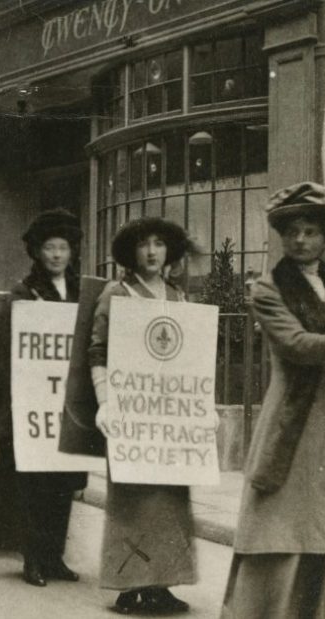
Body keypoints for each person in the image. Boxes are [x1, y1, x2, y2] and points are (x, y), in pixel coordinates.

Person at [221, 182, 325, 618]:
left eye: (310, 231)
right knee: (283, 527)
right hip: (294, 425)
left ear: (324, 238)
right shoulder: (268, 288)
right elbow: (297, 344)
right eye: (292, 232)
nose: (300, 240)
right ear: (282, 237)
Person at [90, 217, 197, 614]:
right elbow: (97, 350)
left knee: (169, 499)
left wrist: (200, 407)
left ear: (169, 251)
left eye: (159, 244)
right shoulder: (117, 293)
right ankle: (127, 585)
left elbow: (189, 355)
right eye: (143, 245)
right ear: (131, 253)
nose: (152, 252)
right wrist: (105, 400)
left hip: (169, 413)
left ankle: (161, 583)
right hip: (130, 409)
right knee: (132, 498)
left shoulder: (178, 296)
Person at [0, 209, 88, 586]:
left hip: (67, 402)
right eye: (49, 248)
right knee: (34, 485)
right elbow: (9, 350)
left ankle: (55, 556)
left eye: (63, 247)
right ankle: (33, 559)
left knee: (63, 484)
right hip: (34, 402)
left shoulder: (82, 293)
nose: (57, 255)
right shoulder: (24, 293)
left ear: (72, 251)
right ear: (37, 252)